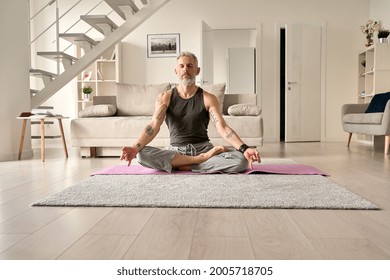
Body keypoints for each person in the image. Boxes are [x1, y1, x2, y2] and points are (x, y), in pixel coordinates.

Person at [120, 51, 261, 173]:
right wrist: (134, 148)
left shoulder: (208, 98)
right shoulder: (165, 97)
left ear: (197, 71)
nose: (185, 69)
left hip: (203, 148)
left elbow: (223, 128)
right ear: (176, 71)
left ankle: (182, 165)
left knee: (241, 160)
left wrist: (245, 149)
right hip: (176, 151)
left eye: (190, 66)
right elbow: (153, 126)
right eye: (181, 66)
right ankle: (199, 162)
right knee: (141, 155)